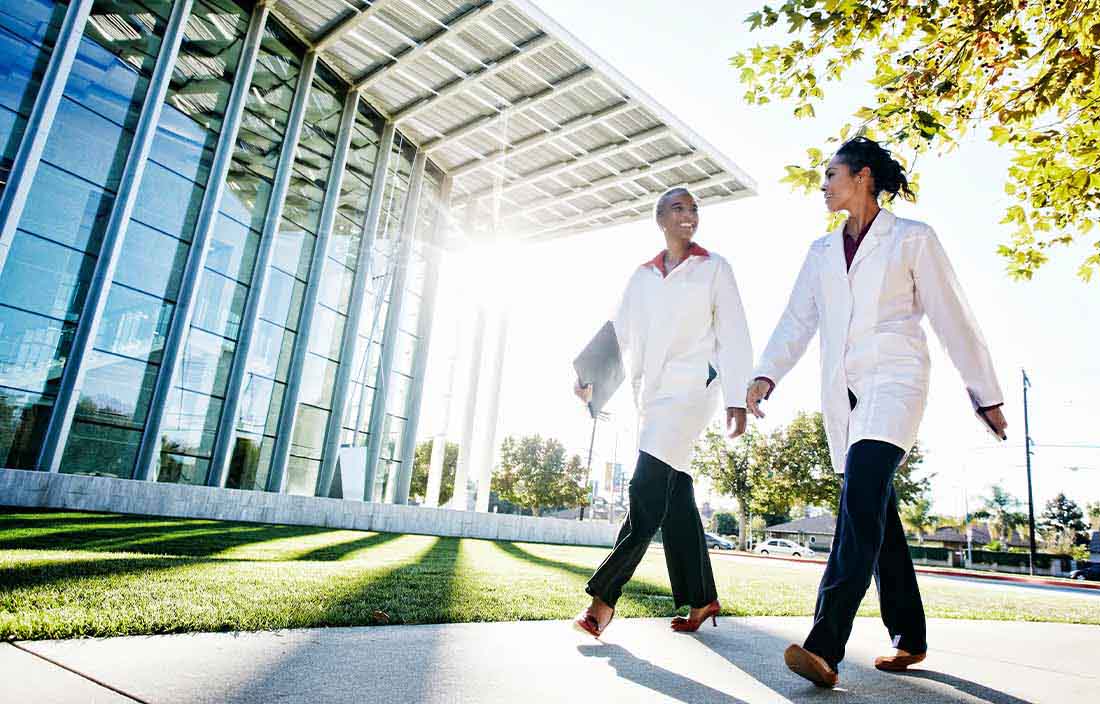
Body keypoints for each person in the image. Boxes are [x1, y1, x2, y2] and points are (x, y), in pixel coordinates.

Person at [746, 137, 1008, 688]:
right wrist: (766, 374)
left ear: (863, 177)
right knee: (878, 516)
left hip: (896, 383)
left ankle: (825, 645)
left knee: (860, 499)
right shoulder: (820, 252)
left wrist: (984, 391)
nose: (823, 185)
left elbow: (951, 315)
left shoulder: (912, 239)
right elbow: (797, 321)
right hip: (842, 395)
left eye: (831, 174)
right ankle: (909, 635)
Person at [572, 187, 753, 639]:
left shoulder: (714, 267)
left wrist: (736, 394)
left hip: (693, 390)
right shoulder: (643, 276)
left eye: (694, 208)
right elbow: (619, 331)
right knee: (675, 497)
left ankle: (603, 598)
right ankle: (702, 597)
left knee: (646, 488)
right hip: (652, 398)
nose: (689, 214)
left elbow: (734, 331)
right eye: (679, 208)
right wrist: (589, 376)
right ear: (661, 219)